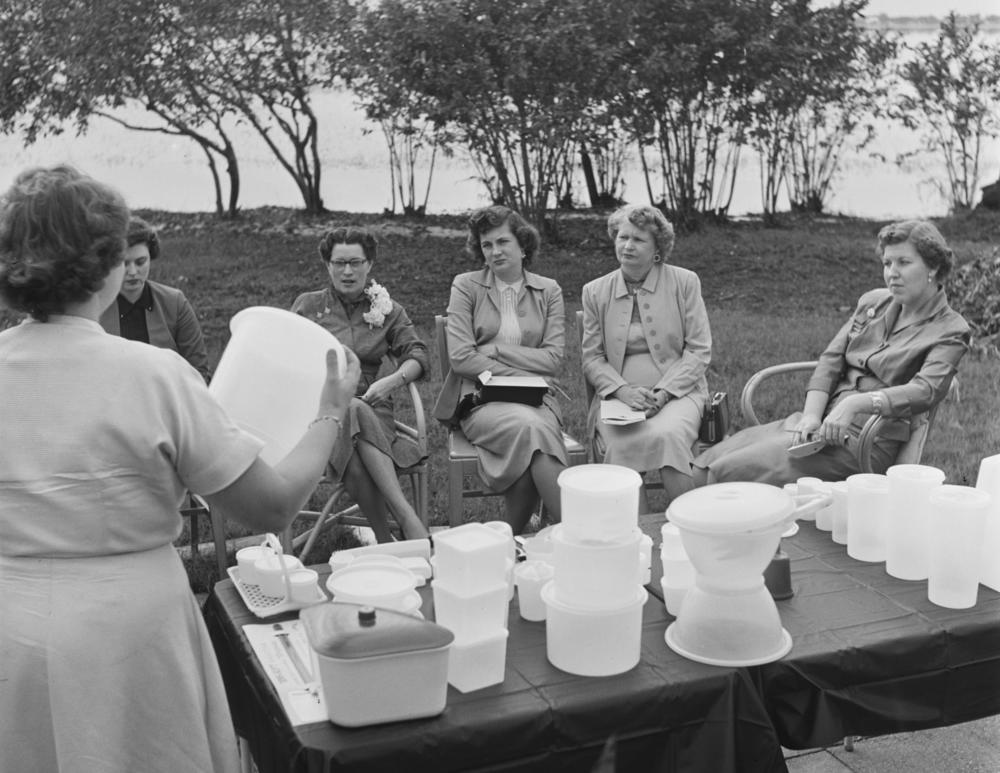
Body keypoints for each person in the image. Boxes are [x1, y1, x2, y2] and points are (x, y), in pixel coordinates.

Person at [0, 164, 361, 773]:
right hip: (132, 634)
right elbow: (270, 507)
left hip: (12, 626)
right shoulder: (153, 374)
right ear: (110, 261)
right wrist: (329, 412)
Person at [693, 219, 971, 486]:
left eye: (904, 262)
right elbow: (830, 360)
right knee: (706, 464)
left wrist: (856, 404)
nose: (891, 272)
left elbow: (926, 390)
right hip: (819, 425)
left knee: (725, 473)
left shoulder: (950, 329)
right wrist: (811, 416)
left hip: (868, 441)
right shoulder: (873, 303)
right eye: (887, 263)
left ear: (933, 267)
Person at [433, 205, 568, 534]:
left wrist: (496, 350)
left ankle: (509, 537)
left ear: (523, 245)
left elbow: (554, 359)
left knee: (532, 428)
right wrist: (524, 371)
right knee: (532, 430)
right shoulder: (466, 286)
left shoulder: (548, 291)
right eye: (486, 245)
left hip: (537, 399)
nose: (494, 251)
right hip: (481, 398)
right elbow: (462, 358)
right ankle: (574, 533)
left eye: (502, 242)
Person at [291, 226, 429, 542]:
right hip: (320, 409)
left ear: (370, 264)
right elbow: (288, 357)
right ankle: (406, 521)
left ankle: (383, 541)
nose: (348, 271)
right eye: (339, 263)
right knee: (349, 408)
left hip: (373, 405)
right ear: (327, 265)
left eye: (356, 262)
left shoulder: (388, 310)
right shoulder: (308, 306)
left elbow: (417, 355)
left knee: (354, 416)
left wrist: (393, 381)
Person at [581, 204, 711, 509]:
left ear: (657, 249)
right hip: (618, 400)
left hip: (680, 394)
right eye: (622, 237)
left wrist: (664, 393)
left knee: (668, 435)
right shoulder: (595, 291)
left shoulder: (685, 282)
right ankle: (635, 534)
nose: (627, 245)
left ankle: (691, 524)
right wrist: (623, 392)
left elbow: (699, 349)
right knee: (621, 443)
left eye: (638, 240)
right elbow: (592, 358)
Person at [99, 216, 211, 380]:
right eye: (124, 263)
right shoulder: (95, 306)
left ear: (151, 257)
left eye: (140, 262)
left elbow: (199, 373)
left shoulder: (175, 303)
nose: (132, 272)